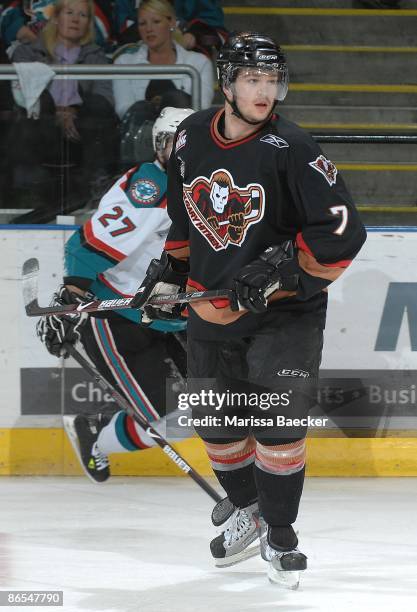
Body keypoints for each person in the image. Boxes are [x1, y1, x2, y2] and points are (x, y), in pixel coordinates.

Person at [132, 33, 367, 587]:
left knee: (278, 424)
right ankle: (248, 510)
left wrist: (284, 270)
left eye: (271, 80)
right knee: (217, 424)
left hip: (286, 314)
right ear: (228, 84)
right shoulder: (190, 136)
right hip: (211, 309)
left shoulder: (294, 147)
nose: (265, 92)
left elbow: (342, 231)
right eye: (253, 80)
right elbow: (186, 217)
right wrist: (170, 270)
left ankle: (281, 536)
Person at [36, 106, 194, 483]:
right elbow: (89, 244)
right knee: (166, 419)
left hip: (172, 316)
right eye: (176, 143)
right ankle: (96, 435)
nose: (185, 152)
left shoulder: (208, 189)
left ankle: (101, 425)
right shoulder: (150, 186)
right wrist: (70, 298)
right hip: (119, 315)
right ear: (159, 145)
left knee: (204, 413)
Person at [8, 0, 119, 208]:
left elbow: (106, 98)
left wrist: (75, 111)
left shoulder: (97, 56)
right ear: (56, 18)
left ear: (89, 24)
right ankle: (27, 191)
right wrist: (55, 111)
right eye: (69, 12)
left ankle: (97, 186)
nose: (76, 19)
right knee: (35, 107)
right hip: (42, 124)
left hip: (80, 128)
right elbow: (21, 97)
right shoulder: (27, 52)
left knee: (98, 107)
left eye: (83, 15)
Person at [113, 0, 214, 121]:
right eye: (142, 23)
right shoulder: (123, 63)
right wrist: (150, 108)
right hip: (139, 132)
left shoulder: (200, 63)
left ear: (172, 22)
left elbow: (201, 108)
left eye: (156, 22)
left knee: (177, 98)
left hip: (183, 134)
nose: (149, 29)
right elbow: (123, 109)